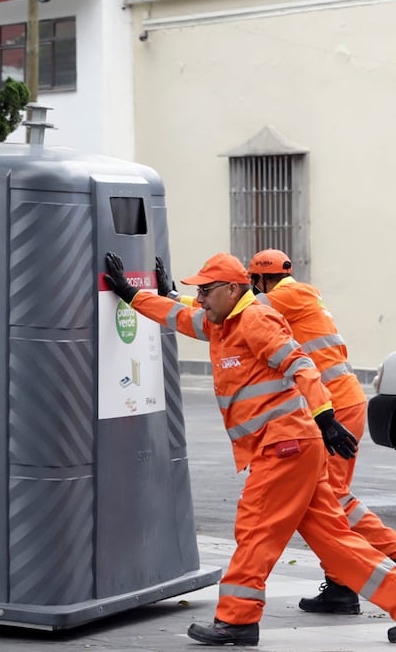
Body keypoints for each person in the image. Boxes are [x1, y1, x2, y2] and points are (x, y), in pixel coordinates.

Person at [104, 251, 396, 645]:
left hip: (285, 446)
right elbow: (176, 316)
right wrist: (130, 294)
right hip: (291, 445)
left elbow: (300, 364)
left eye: (206, 291)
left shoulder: (256, 319)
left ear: (231, 289)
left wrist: (325, 417)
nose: (202, 298)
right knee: (335, 540)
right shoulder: (220, 323)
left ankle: (237, 620)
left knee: (256, 528)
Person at [246, 248, 396, 614]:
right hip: (340, 401)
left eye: (253, 283)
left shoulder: (282, 298)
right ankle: (341, 585)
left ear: (260, 280)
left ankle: (367, 569)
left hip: (334, 407)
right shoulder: (298, 295)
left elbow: (235, 313)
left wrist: (176, 300)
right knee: (331, 498)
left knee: (333, 500)